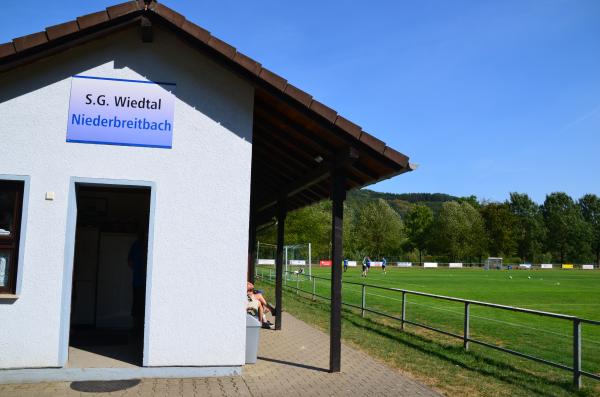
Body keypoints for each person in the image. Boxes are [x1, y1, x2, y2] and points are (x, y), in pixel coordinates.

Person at [128, 236, 147, 335]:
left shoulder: (136, 244)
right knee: (139, 306)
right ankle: (138, 330)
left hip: (140, 281)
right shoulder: (137, 245)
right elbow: (130, 262)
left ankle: (138, 329)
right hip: (140, 281)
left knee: (137, 306)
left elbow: (130, 262)